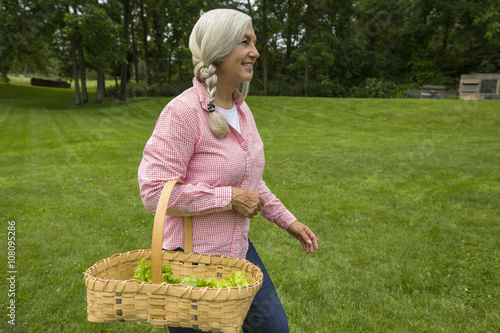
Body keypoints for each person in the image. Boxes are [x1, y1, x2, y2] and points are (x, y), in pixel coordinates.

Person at [138, 8, 318, 333]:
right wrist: (228, 198)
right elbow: (154, 193)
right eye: (245, 42)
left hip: (238, 251)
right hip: (190, 263)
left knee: (274, 329)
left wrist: (288, 221)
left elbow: (251, 182)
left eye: (255, 42)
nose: (255, 52)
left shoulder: (242, 109)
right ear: (219, 49)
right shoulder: (181, 112)